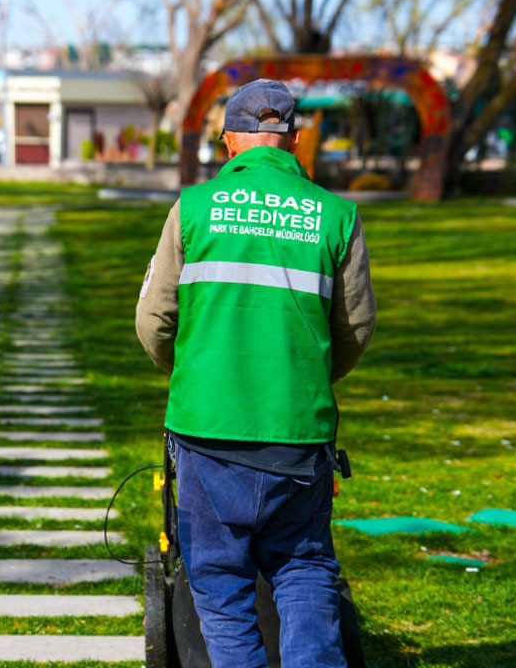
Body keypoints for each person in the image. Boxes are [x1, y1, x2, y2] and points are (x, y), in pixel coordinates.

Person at [136, 79, 375, 667]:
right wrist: (301, 379)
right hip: (297, 436)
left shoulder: (192, 209)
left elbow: (153, 321)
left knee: (220, 591)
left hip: (206, 429)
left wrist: (197, 371)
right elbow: (356, 329)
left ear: (227, 142)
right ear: (294, 140)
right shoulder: (337, 216)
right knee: (303, 571)